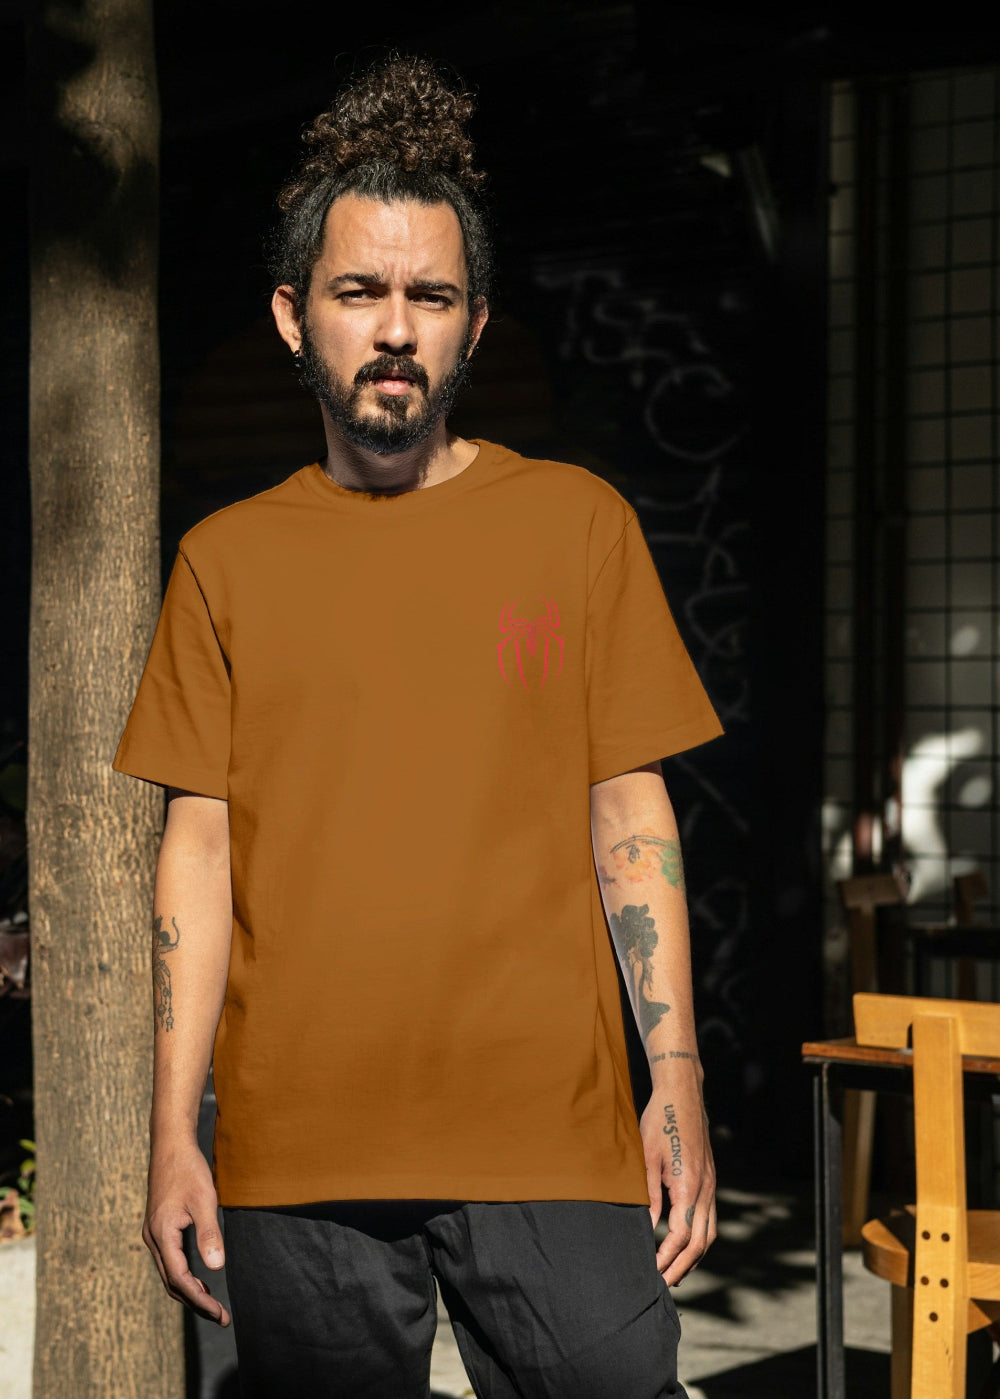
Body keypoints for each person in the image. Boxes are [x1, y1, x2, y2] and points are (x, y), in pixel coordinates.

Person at [112, 53, 725, 1399]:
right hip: (301, 1153)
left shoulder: (578, 526)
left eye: (429, 296)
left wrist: (672, 1072)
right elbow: (196, 855)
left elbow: (630, 810)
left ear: (476, 324)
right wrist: (173, 1133)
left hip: (551, 1143)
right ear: (293, 316)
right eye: (360, 292)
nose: (396, 327)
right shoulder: (224, 560)